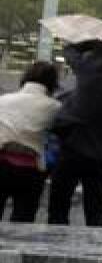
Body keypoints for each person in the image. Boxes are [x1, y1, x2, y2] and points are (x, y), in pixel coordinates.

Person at [48, 40, 102, 227]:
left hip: (73, 147)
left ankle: (54, 249)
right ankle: (96, 249)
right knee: (95, 210)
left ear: (96, 56)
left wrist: (90, 43)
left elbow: (69, 50)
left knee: (59, 206)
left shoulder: (88, 69)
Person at [0, 62, 62, 222]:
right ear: (52, 83)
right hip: (30, 170)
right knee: (23, 219)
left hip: (2, 163)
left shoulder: (4, 100)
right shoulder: (55, 107)